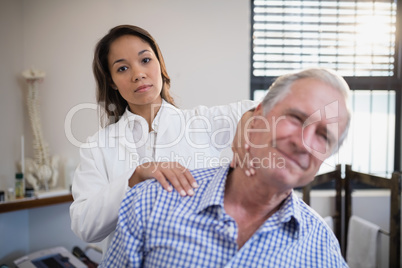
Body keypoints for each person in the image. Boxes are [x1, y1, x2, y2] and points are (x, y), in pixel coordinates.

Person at [100, 68, 351, 267]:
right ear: (257, 118)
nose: (302, 143)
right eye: (295, 118)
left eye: (323, 136)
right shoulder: (149, 203)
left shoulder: (321, 245)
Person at [69, 25, 255, 256]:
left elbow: (274, 109)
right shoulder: (97, 147)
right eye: (123, 68)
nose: (138, 74)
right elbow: (85, 226)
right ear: (112, 81)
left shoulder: (202, 123)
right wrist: (133, 179)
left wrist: (249, 120)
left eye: (145, 60)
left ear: (160, 64)